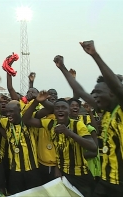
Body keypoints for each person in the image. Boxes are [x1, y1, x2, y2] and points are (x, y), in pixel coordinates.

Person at [54, 42, 123, 196]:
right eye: (94, 93)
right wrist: (62, 68)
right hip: (106, 181)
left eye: (99, 93)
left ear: (113, 94)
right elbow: (79, 91)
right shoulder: (104, 111)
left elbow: (118, 87)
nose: (94, 96)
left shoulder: (120, 110)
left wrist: (94, 54)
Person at [23, 91, 97, 197]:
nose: (60, 110)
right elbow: (26, 120)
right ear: (54, 111)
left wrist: (69, 132)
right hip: (63, 175)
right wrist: (36, 101)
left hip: (81, 175)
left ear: (69, 111)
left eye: (64, 108)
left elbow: (93, 147)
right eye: (57, 108)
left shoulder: (78, 125)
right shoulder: (51, 124)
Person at [0, 97, 41, 195]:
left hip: (32, 169)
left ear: (19, 111)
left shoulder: (28, 120)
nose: (8, 114)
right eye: (7, 111)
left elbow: (47, 110)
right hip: (14, 170)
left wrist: (38, 100)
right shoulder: (5, 122)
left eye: (11, 111)